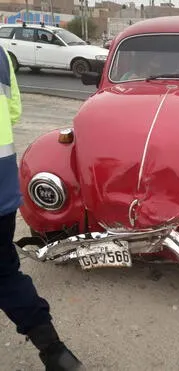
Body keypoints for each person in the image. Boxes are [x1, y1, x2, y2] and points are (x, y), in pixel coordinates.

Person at [0, 45, 84, 370]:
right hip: (2, 190)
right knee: (6, 273)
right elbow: (14, 112)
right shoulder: (1, 54)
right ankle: (55, 352)